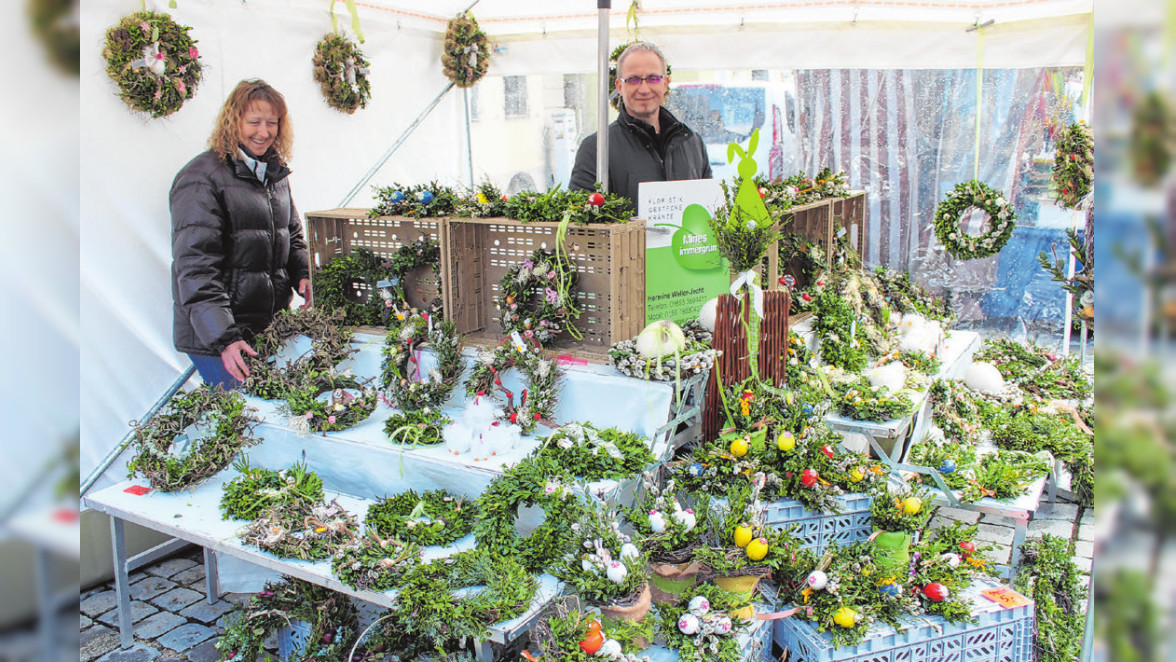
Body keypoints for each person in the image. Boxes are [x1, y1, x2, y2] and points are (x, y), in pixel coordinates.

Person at [170, 79, 312, 389]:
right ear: (233, 121)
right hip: (220, 337)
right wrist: (224, 338)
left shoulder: (273, 175)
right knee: (244, 419)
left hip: (262, 327)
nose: (264, 132)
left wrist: (302, 273)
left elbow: (292, 233)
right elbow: (195, 268)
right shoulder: (201, 179)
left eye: (272, 123)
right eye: (254, 122)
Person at [569, 41, 712, 203]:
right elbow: (580, 219)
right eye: (633, 80)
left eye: (653, 79)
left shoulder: (692, 143)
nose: (644, 89)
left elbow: (708, 207)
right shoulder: (597, 149)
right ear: (620, 87)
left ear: (665, 83)